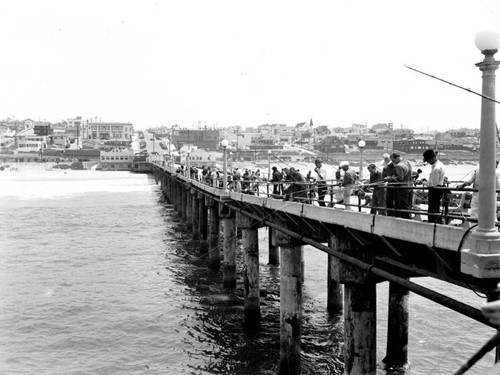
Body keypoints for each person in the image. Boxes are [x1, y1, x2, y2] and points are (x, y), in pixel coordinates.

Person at [384, 152, 412, 219]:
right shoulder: (407, 163)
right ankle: (407, 218)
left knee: (402, 205)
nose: (393, 162)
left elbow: (400, 178)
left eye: (393, 160)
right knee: (407, 205)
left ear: (397, 158)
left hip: (402, 188)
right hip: (409, 186)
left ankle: (405, 219)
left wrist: (391, 178)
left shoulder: (399, 166)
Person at [423, 149, 446, 224]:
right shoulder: (440, 164)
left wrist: (423, 182)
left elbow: (433, 184)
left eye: (428, 161)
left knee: (432, 209)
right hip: (439, 189)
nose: (429, 163)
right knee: (435, 208)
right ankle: (436, 222)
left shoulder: (436, 168)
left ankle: (434, 223)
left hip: (435, 191)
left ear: (432, 158)